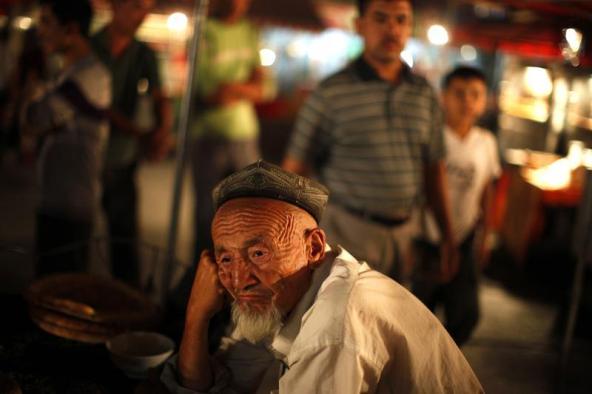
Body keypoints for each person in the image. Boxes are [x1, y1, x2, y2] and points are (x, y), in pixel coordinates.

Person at [160, 160, 483, 393]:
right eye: (225, 258)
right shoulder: (281, 294)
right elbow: (227, 376)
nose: (239, 278)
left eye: (259, 254)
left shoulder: (332, 330)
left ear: (313, 247)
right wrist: (197, 315)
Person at [282, 0, 457, 283]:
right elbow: (293, 169)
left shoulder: (424, 94)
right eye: (381, 18)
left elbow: (434, 169)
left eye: (401, 20)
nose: (392, 28)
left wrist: (448, 236)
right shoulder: (331, 93)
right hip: (347, 233)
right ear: (359, 25)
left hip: (405, 236)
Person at [412, 66, 501, 346]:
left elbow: (487, 189)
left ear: (485, 100)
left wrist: (485, 235)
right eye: (459, 94)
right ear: (443, 97)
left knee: (466, 314)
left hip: (464, 239)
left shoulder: (486, 142)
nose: (467, 101)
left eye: (475, 94)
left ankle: (442, 362)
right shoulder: (431, 136)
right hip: (425, 238)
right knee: (417, 310)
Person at [24, 0, 111, 275]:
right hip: (56, 200)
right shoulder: (69, 75)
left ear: (71, 29)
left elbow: (33, 118)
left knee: (60, 294)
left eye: (47, 22)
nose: (40, 32)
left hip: (71, 206)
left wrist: (32, 92)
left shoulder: (89, 76)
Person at [91, 0, 173, 286]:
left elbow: (161, 96)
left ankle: (125, 300)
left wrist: (163, 128)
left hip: (121, 156)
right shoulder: (88, 46)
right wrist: (142, 133)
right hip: (85, 153)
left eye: (147, 8)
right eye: (137, 6)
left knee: (124, 239)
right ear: (116, 6)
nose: (143, 15)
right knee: (76, 236)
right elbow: (97, 104)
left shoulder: (143, 53)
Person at [190, 0, 272, 261]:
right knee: (207, 218)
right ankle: (202, 278)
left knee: (250, 213)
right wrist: (245, 88)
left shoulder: (250, 32)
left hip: (244, 134)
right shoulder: (205, 32)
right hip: (208, 135)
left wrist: (233, 89)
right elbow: (210, 93)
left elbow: (264, 88)